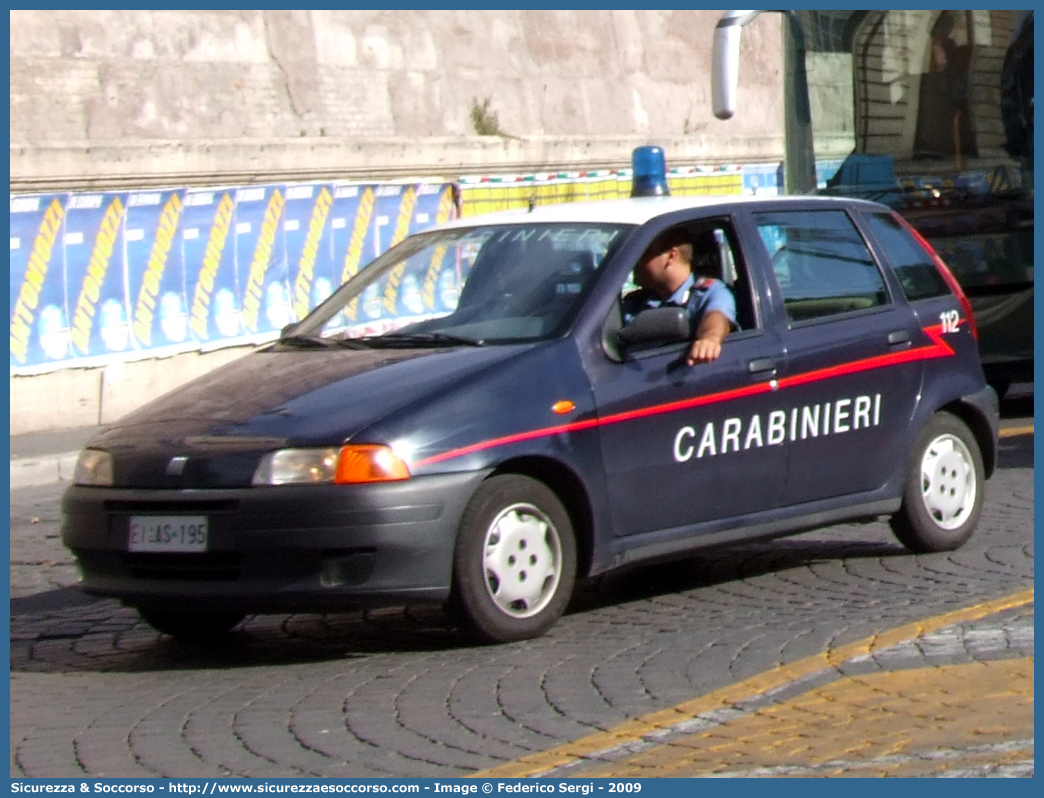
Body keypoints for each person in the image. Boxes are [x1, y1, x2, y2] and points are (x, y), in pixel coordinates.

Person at [622, 228, 736, 365]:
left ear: (671, 255)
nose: (636, 262)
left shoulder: (710, 292)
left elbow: (717, 316)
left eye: (645, 254)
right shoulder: (637, 300)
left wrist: (709, 339)